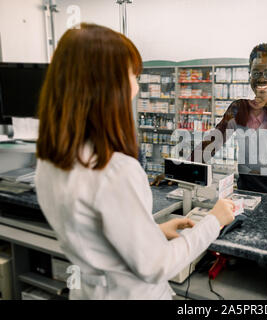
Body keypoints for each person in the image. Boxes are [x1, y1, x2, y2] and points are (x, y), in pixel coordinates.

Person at [34, 23, 234, 300]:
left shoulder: (49, 163)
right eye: (133, 75)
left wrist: (152, 231)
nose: (136, 85)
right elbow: (156, 266)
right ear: (107, 85)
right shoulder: (113, 170)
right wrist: (213, 221)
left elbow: (94, 238)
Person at [153, 43, 267, 206]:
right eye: (256, 72)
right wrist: (180, 172)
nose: (261, 77)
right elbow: (212, 143)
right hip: (246, 196)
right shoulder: (239, 108)